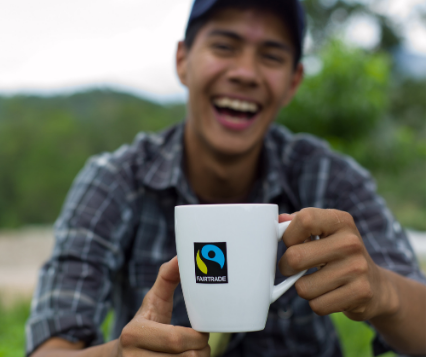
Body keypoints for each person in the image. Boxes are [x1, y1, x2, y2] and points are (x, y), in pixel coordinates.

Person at [26, 0, 426, 356]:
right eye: (224, 46)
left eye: (270, 56)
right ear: (183, 60)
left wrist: (384, 290)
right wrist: (119, 355)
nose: (245, 72)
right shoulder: (114, 181)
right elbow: (52, 346)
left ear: (293, 82)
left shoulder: (329, 176)